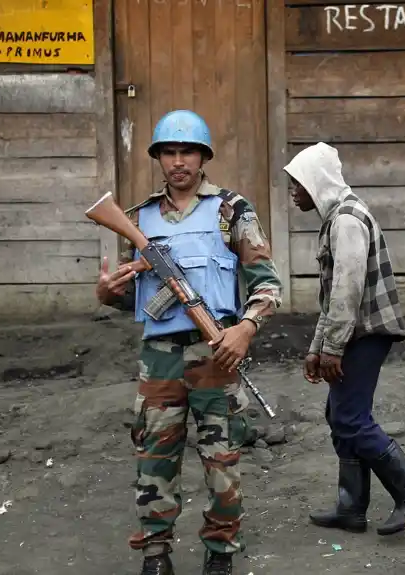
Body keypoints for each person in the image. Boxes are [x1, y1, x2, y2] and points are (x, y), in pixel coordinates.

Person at [94, 109, 283, 575]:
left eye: (188, 152)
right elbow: (129, 296)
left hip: (216, 352)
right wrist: (106, 294)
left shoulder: (231, 211)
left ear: (203, 157)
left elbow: (267, 284)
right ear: (158, 157)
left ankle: (220, 554)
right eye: (170, 152)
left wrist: (246, 328)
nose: (179, 161)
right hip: (159, 359)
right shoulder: (136, 218)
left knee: (222, 459)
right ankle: (155, 555)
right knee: (154, 457)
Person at [283, 141, 405, 537]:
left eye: (297, 184)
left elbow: (347, 290)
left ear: (316, 182)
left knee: (351, 418)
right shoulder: (337, 217)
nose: (293, 193)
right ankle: (351, 509)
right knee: (340, 416)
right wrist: (319, 348)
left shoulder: (347, 220)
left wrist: (331, 348)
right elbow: (332, 295)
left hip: (365, 333)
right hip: (354, 331)